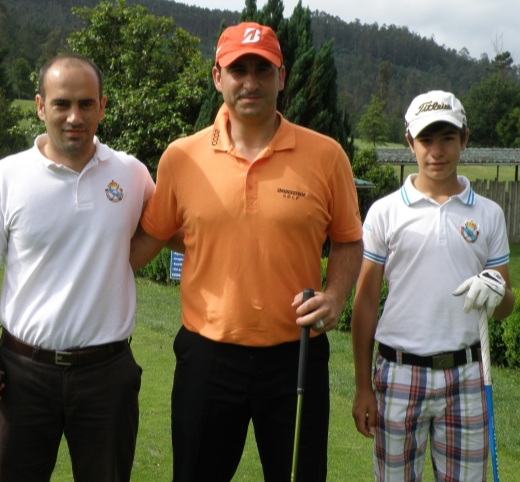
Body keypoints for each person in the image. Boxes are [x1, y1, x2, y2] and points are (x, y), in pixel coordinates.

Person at [130, 22, 364, 482]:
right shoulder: (181, 157)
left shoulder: (326, 155)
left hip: (297, 354)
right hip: (207, 357)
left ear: (282, 77)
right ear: (218, 77)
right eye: (239, 69)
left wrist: (336, 297)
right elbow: (153, 237)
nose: (251, 82)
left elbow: (348, 238)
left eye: (263, 69)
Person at [0, 53, 155, 481]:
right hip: (21, 375)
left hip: (107, 376)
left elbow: (167, 229)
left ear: (102, 106)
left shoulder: (132, 174)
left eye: (86, 104)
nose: (74, 116)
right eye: (62, 103)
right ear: (41, 106)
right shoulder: (6, 177)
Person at [351, 90, 516, 481]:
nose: (436, 151)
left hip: (467, 375)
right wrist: (362, 386)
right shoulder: (385, 212)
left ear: (465, 139)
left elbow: (506, 303)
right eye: (426, 139)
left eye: (447, 138)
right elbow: (365, 301)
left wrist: (497, 291)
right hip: (398, 372)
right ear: (410, 142)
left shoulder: (488, 214)